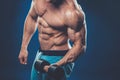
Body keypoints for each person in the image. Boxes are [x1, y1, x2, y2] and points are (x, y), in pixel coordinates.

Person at [18, 0, 87, 80]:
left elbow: (80, 46)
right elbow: (32, 18)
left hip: (59, 57)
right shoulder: (38, 1)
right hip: (40, 54)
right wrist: (23, 47)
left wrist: (57, 65)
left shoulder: (72, 12)